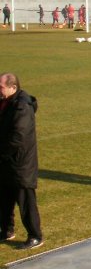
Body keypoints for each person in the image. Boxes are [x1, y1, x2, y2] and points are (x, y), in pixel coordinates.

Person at [0, 73, 44, 249]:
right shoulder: (6, 102)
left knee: (25, 202)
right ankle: (7, 231)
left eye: (1, 87)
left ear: (13, 87)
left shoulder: (22, 106)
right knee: (4, 200)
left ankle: (35, 236)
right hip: (7, 162)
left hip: (20, 164)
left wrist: (2, 153)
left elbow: (18, 137)